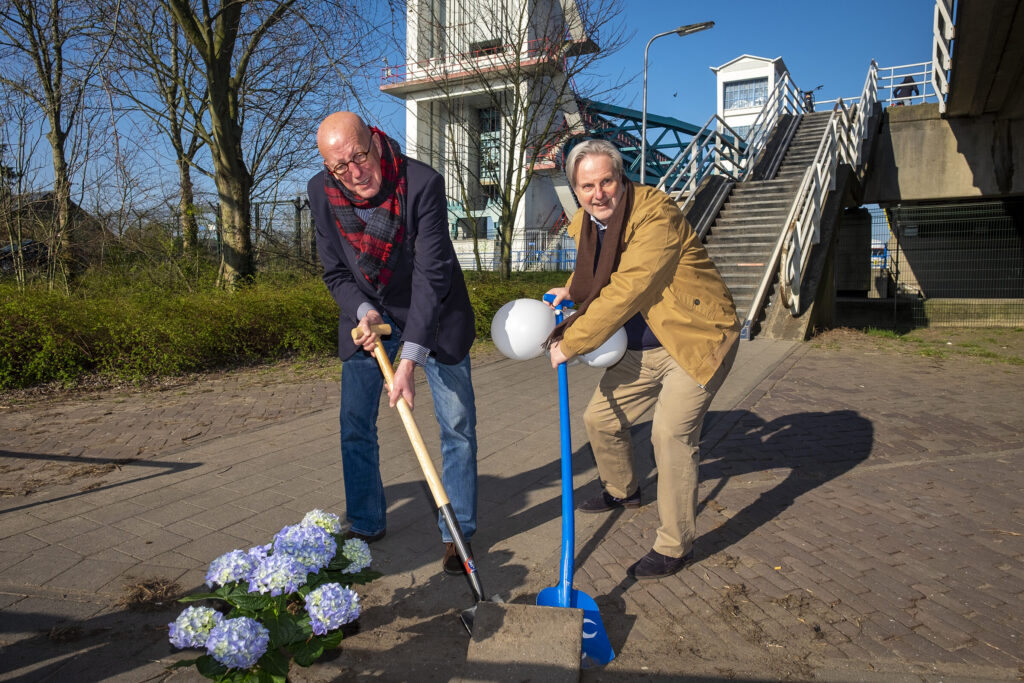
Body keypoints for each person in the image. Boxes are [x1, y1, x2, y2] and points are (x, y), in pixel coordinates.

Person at [545, 139, 740, 581]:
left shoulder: (657, 215)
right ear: (575, 189)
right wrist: (572, 291)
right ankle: (622, 491)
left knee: (669, 435)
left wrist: (571, 340)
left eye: (607, 181)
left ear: (622, 178)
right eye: (588, 185)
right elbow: (594, 267)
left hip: (695, 339)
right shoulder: (586, 221)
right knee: (600, 419)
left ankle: (675, 545)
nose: (599, 193)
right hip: (642, 348)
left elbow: (630, 285)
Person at [308, 112, 478, 576]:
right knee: (354, 423)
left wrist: (408, 361)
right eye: (339, 166)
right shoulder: (320, 194)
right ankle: (364, 522)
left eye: (359, 156)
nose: (354, 172)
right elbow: (336, 273)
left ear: (376, 142)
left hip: (434, 315)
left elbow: (431, 276)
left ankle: (457, 531)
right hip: (368, 317)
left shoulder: (421, 184)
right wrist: (364, 312)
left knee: (456, 425)